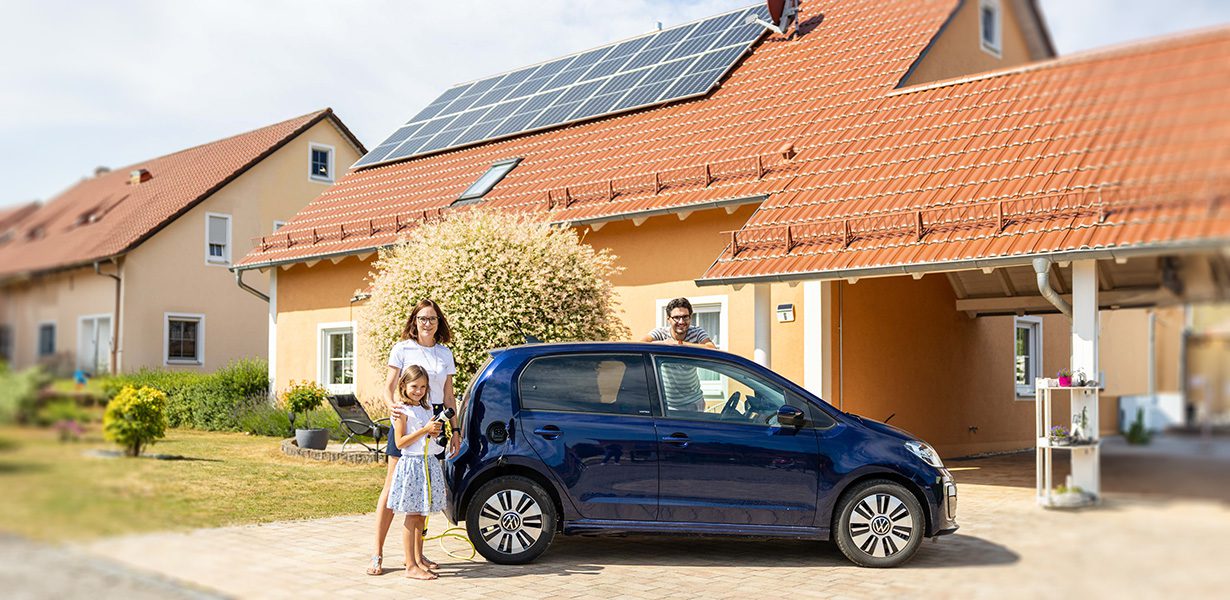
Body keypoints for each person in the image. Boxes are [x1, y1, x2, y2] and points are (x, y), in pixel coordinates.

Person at [368, 299, 458, 576]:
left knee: (423, 490)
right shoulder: (402, 348)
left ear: (439, 322)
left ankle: (417, 555)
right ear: (414, 322)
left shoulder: (445, 354)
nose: (427, 323)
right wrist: (391, 405)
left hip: (433, 425)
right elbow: (389, 386)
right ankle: (377, 553)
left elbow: (448, 394)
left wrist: (455, 430)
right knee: (393, 489)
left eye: (432, 318)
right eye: (422, 318)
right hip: (408, 425)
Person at [386, 365, 446, 580]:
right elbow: (400, 442)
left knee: (422, 515)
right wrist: (424, 431)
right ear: (403, 385)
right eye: (414, 386)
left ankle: (419, 559)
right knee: (412, 516)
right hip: (412, 466)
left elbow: (426, 438)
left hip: (426, 463)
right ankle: (410, 565)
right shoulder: (400, 411)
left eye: (423, 387)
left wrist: (433, 433)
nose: (419, 390)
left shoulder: (427, 408)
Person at [641, 298, 716, 413]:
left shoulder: (696, 333)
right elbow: (640, 344)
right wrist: (664, 344)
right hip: (666, 404)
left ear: (690, 317)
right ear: (668, 319)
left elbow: (712, 349)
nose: (681, 321)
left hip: (694, 402)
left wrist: (679, 344)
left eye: (685, 317)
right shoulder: (661, 334)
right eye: (676, 317)